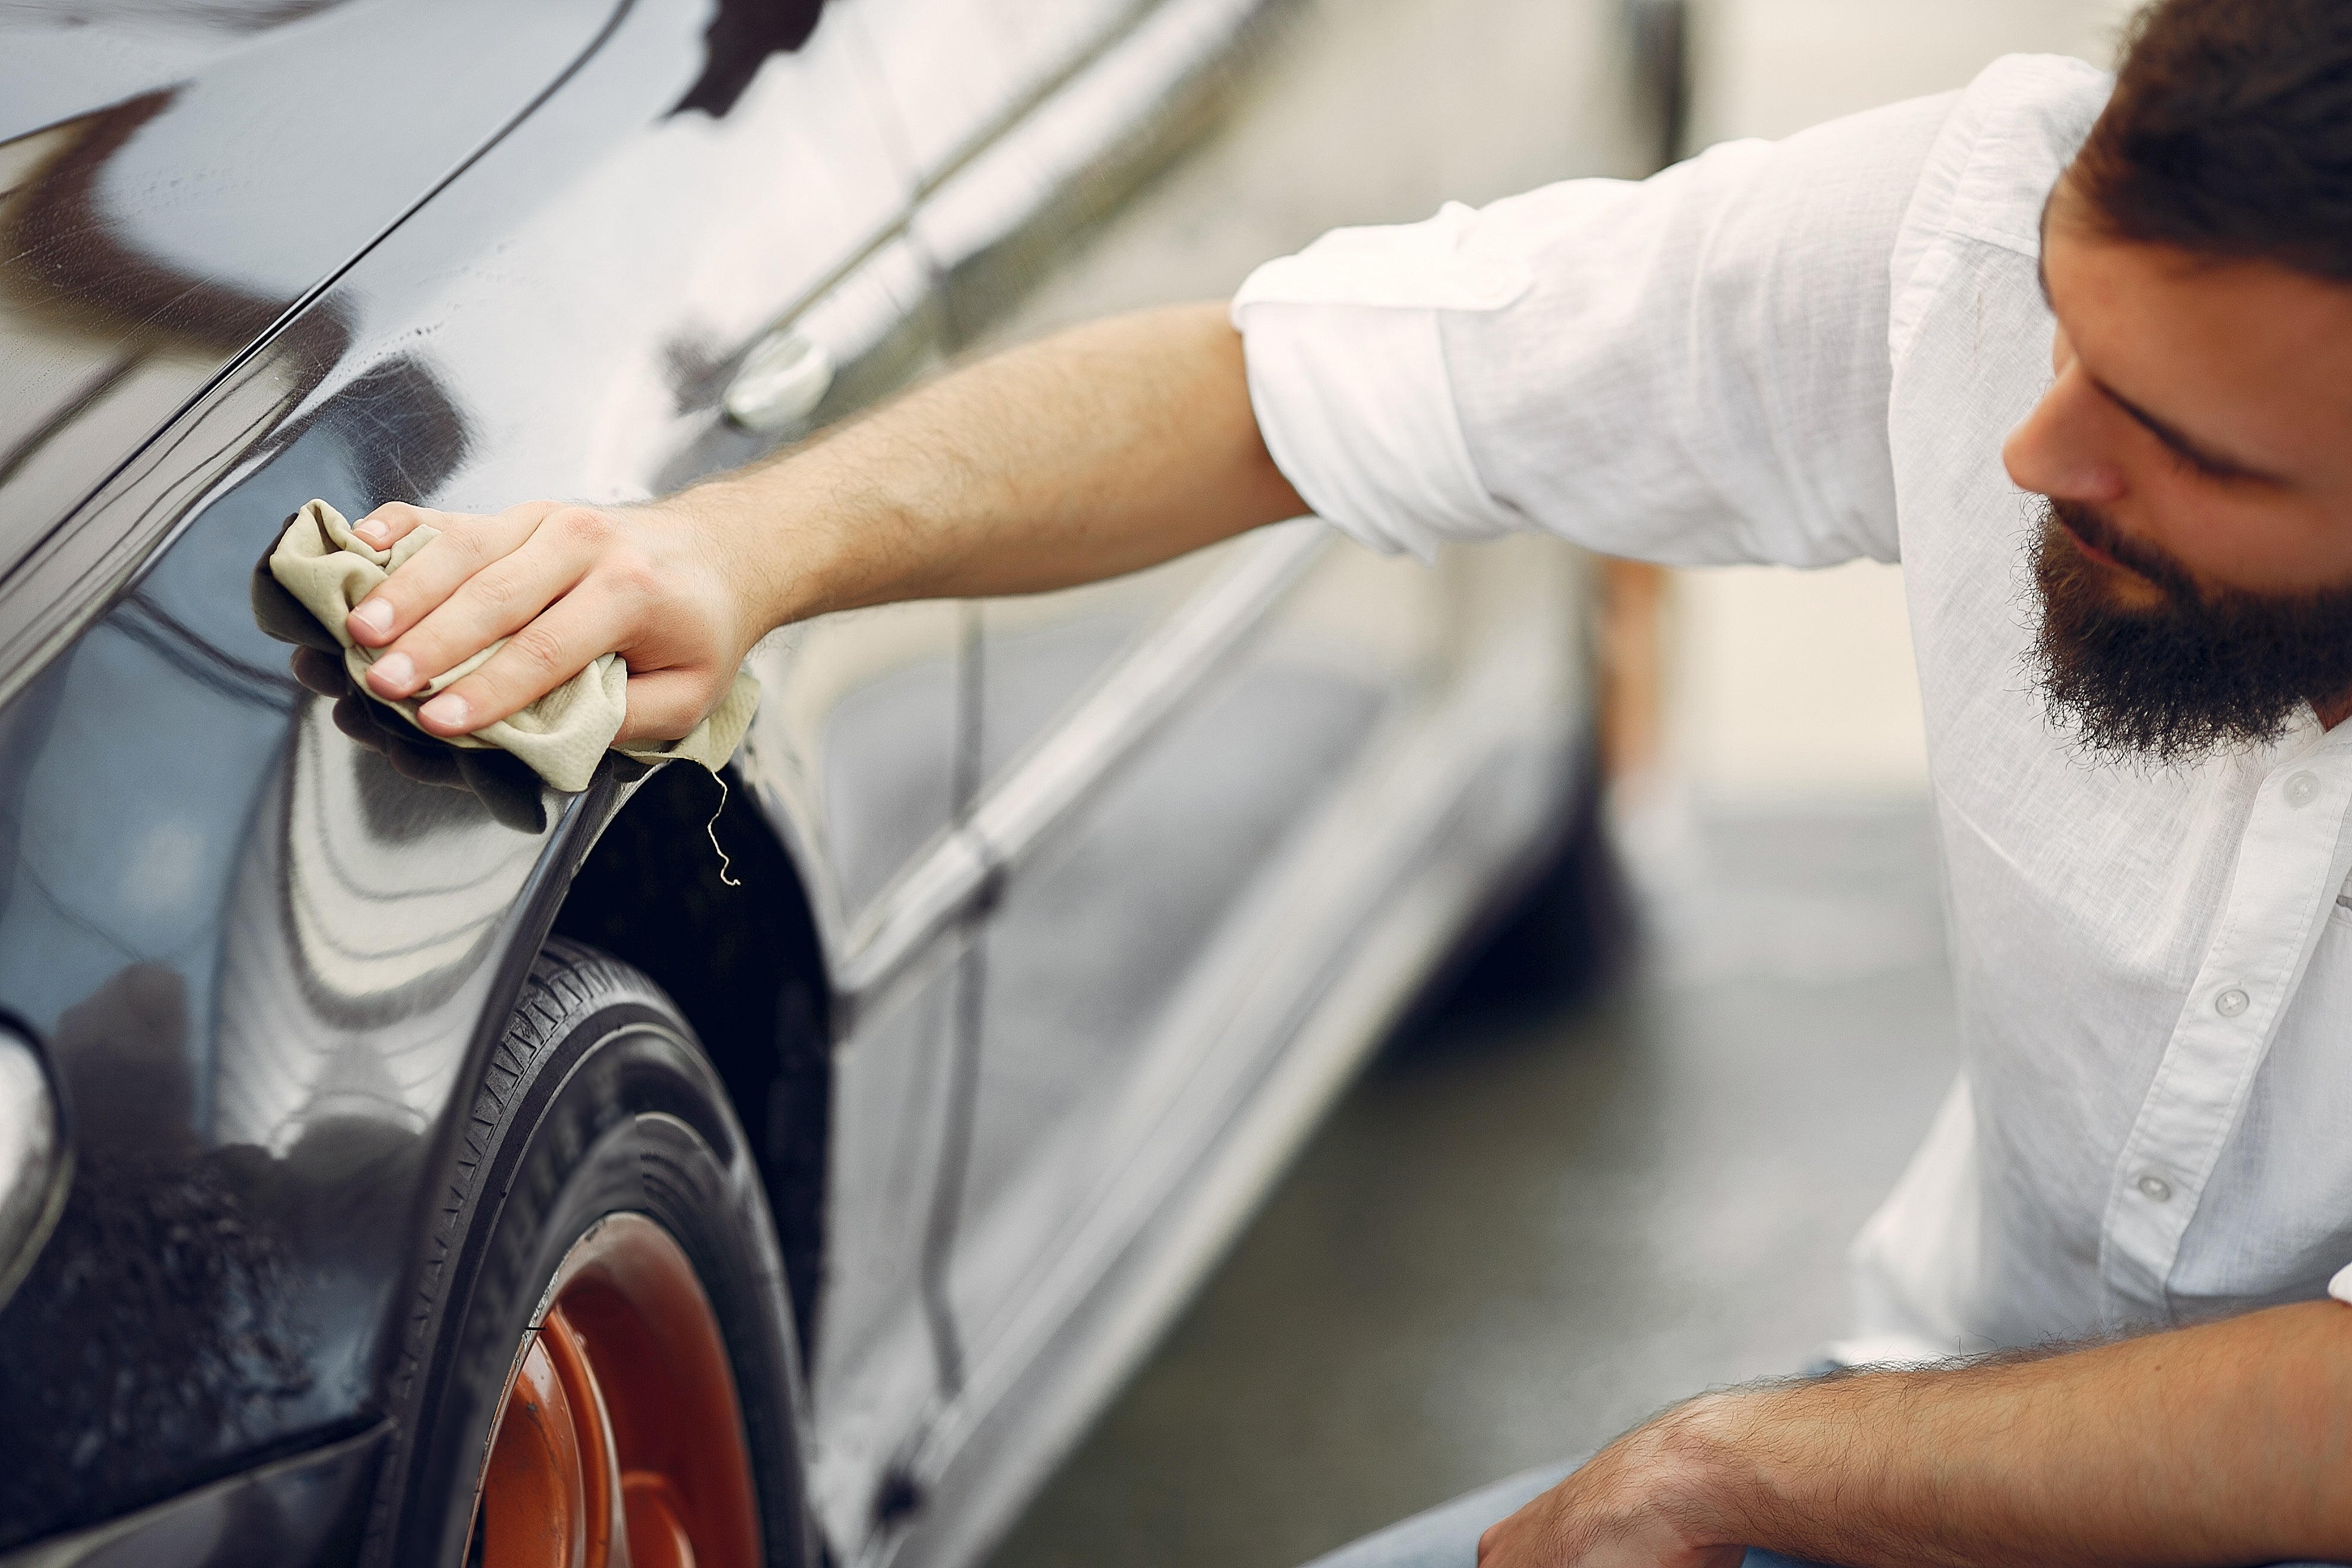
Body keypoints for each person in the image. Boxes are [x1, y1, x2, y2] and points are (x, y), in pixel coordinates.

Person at [328, 0, 2352, 1560]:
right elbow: (1286, 387)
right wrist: (744, 552)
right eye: (2067, 333)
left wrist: (1734, 1460)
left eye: (2192, 450)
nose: (2035, 450)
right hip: (1949, 1463)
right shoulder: (1976, 240)